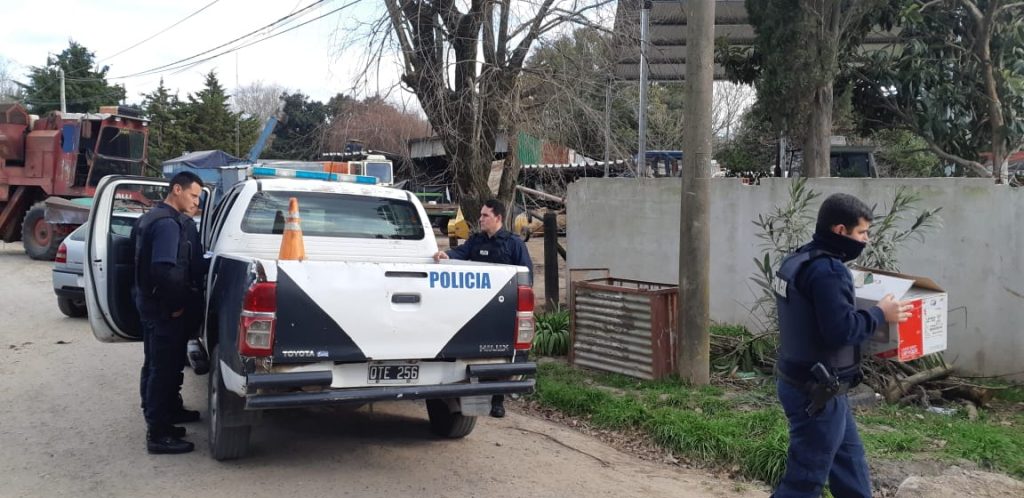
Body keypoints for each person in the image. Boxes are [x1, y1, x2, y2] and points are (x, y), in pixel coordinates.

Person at [772, 193, 912, 497]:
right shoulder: (829, 271)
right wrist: (880, 314)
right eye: (862, 232)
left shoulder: (797, 260)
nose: (866, 240)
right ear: (840, 230)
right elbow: (841, 332)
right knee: (804, 481)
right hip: (817, 393)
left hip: (807, 384)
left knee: (850, 466)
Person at [433, 199, 534, 418]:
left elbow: (527, 276)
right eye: (481, 215)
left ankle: (498, 400)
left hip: (503, 309)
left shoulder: (513, 243)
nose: (480, 219)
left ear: (498, 217)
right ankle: (473, 393)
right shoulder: (476, 241)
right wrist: (446, 255)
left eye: (485, 215)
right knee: (478, 354)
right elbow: (461, 253)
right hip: (478, 310)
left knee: (500, 355)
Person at [132, 172, 206, 454]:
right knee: (161, 369)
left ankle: (166, 414)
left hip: (149, 305)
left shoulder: (152, 217)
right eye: (193, 195)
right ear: (177, 189)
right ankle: (158, 434)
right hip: (163, 310)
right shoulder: (167, 225)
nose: (196, 202)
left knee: (157, 364)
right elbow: (164, 271)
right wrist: (175, 306)